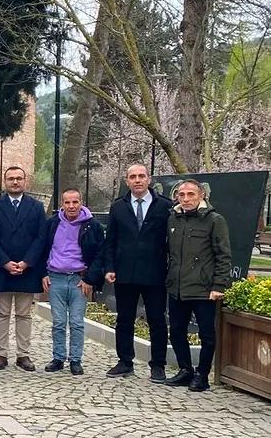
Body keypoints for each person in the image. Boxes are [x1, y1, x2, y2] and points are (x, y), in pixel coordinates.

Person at [103, 164, 173, 380]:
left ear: (149, 179)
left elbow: (171, 242)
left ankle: (158, 365)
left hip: (155, 273)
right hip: (125, 273)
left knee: (157, 320)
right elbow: (110, 241)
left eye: (141, 176)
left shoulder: (165, 207)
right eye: (133, 177)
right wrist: (110, 267)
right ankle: (125, 361)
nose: (137, 180)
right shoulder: (118, 207)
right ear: (127, 181)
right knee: (124, 319)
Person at [165, 179, 232, 392]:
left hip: (204, 289)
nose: (186, 199)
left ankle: (202, 374)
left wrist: (219, 285)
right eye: (181, 194)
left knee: (207, 335)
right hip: (177, 288)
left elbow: (223, 256)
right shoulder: (173, 219)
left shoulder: (214, 220)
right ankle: (186, 370)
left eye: (190, 194)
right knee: (176, 331)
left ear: (201, 195)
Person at [0, 166, 47, 371]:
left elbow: (41, 238)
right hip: (2, 268)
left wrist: (26, 262)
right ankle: (1, 354)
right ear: (5, 181)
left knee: (24, 314)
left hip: (27, 269)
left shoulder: (36, 207)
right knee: (1, 313)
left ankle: (23, 355)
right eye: (11, 178)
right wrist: (5, 262)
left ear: (25, 181)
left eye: (19, 178)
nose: (15, 182)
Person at [41, 188, 105, 376]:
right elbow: (42, 249)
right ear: (62, 204)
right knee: (59, 322)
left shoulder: (92, 226)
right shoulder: (52, 224)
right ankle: (58, 357)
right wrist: (43, 273)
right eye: (67, 202)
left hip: (80, 279)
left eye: (75, 202)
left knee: (77, 322)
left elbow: (99, 254)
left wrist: (90, 279)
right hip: (56, 278)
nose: (71, 206)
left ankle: (76, 360)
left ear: (81, 202)